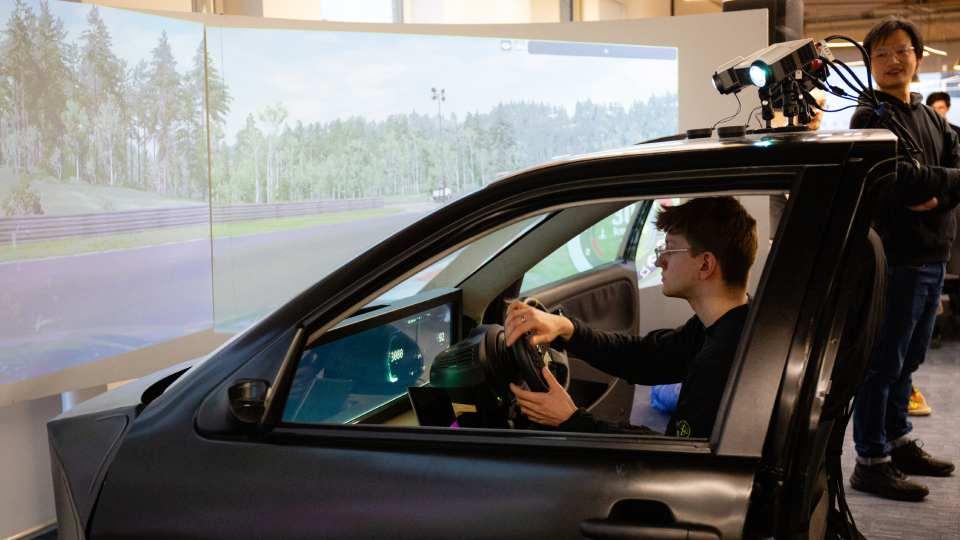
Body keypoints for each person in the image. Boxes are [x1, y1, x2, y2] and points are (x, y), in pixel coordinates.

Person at [504, 196, 757, 439]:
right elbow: (645, 357)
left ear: (705, 265)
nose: (659, 261)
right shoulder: (721, 325)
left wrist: (571, 419)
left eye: (669, 249)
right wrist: (568, 329)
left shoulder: (720, 363)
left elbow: (672, 459)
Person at [848, 16, 958, 502]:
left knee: (910, 358)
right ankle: (870, 460)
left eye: (902, 50)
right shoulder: (870, 116)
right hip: (895, 260)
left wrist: (937, 187)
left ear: (918, 55)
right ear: (869, 63)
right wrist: (941, 183)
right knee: (883, 361)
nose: (893, 61)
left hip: (934, 257)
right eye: (882, 54)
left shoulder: (933, 119)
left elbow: (951, 173)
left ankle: (896, 441)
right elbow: (895, 182)